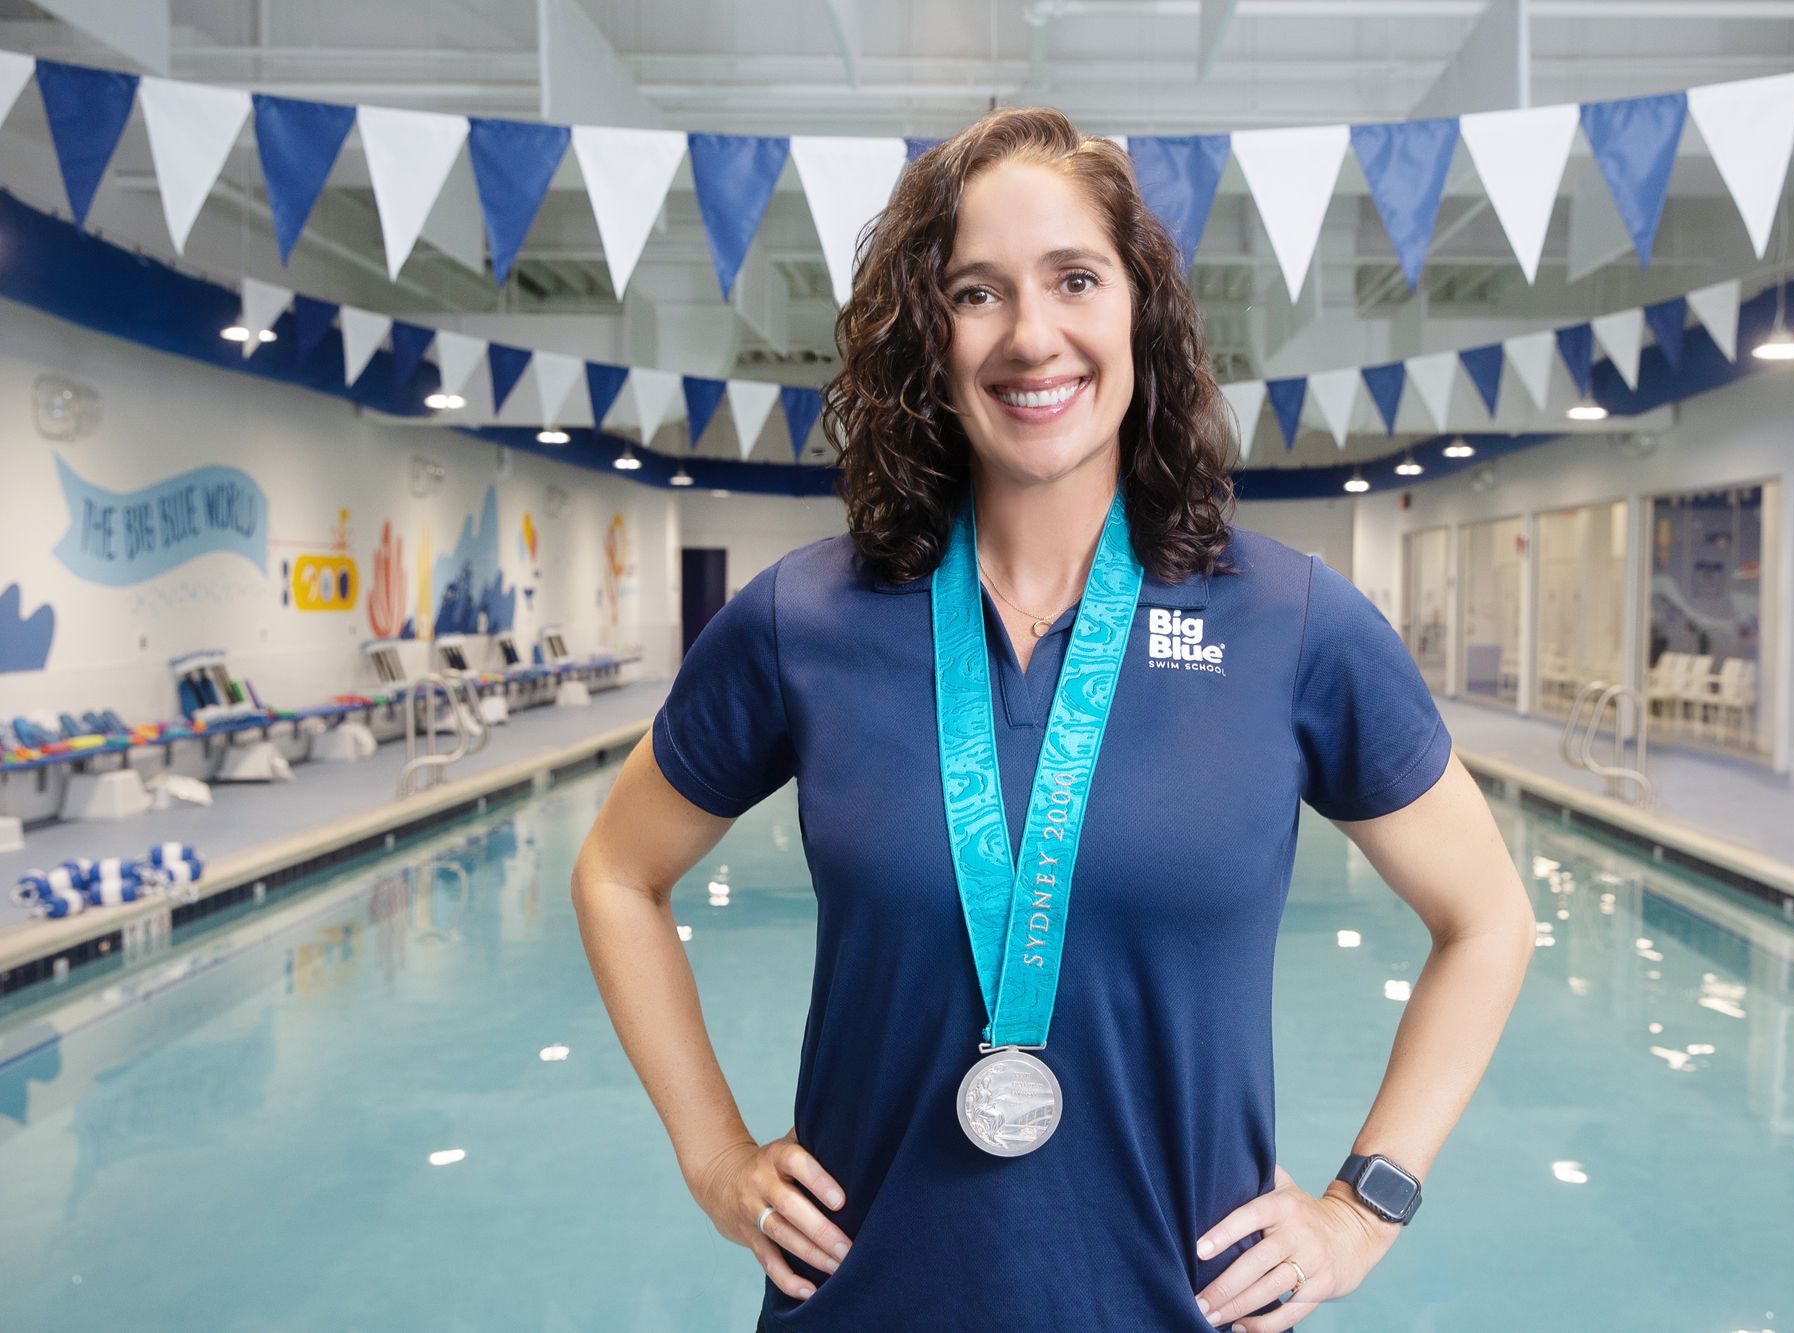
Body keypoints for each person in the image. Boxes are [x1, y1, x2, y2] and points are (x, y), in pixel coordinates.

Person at [571, 106, 1537, 1332]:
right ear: (927, 332)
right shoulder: (804, 619)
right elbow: (614, 871)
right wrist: (711, 1154)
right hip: (865, 1305)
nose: (1032, 337)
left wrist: (1362, 1205)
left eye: (1074, 278)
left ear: (1139, 308)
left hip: (1176, 1310)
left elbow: (1488, 918)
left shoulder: (1289, 622)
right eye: (977, 292)